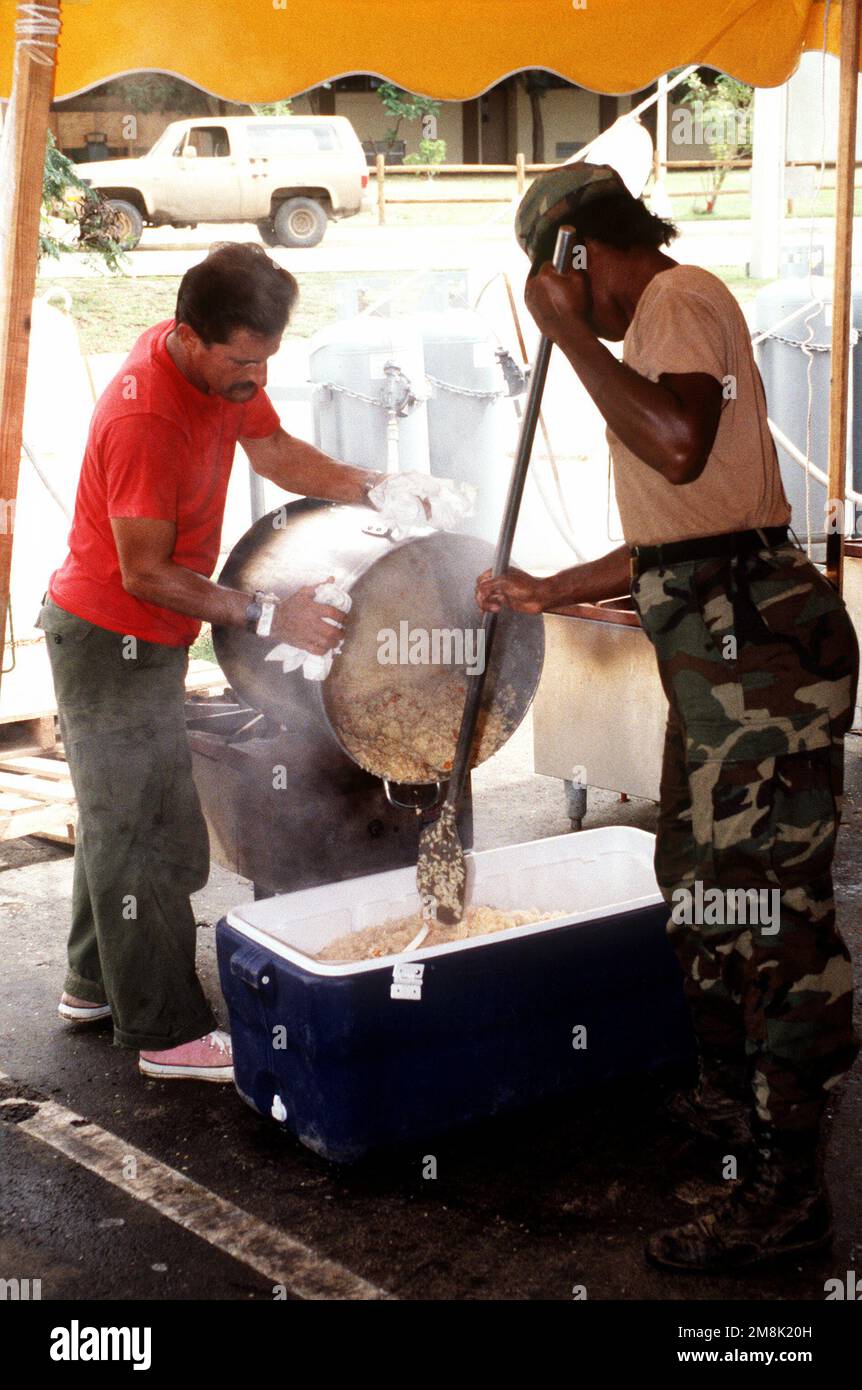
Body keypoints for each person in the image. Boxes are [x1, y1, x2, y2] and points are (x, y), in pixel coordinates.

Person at [476, 165, 859, 1272]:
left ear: (575, 258)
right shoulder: (652, 327)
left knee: (772, 925)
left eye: (557, 285)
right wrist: (548, 588)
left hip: (760, 666)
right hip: (717, 654)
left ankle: (788, 1197)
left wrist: (570, 338)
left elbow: (681, 445)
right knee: (697, 887)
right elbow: (681, 529)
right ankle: (731, 1117)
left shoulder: (676, 299)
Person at [41, 242, 466, 1085]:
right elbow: (144, 571)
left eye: (267, 359)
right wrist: (268, 613)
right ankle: (164, 1033)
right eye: (242, 361)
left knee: (117, 816)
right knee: (149, 838)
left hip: (146, 639)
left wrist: (374, 486)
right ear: (191, 338)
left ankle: (94, 985)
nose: (254, 377)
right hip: (109, 637)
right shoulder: (144, 417)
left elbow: (271, 450)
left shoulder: (219, 374)